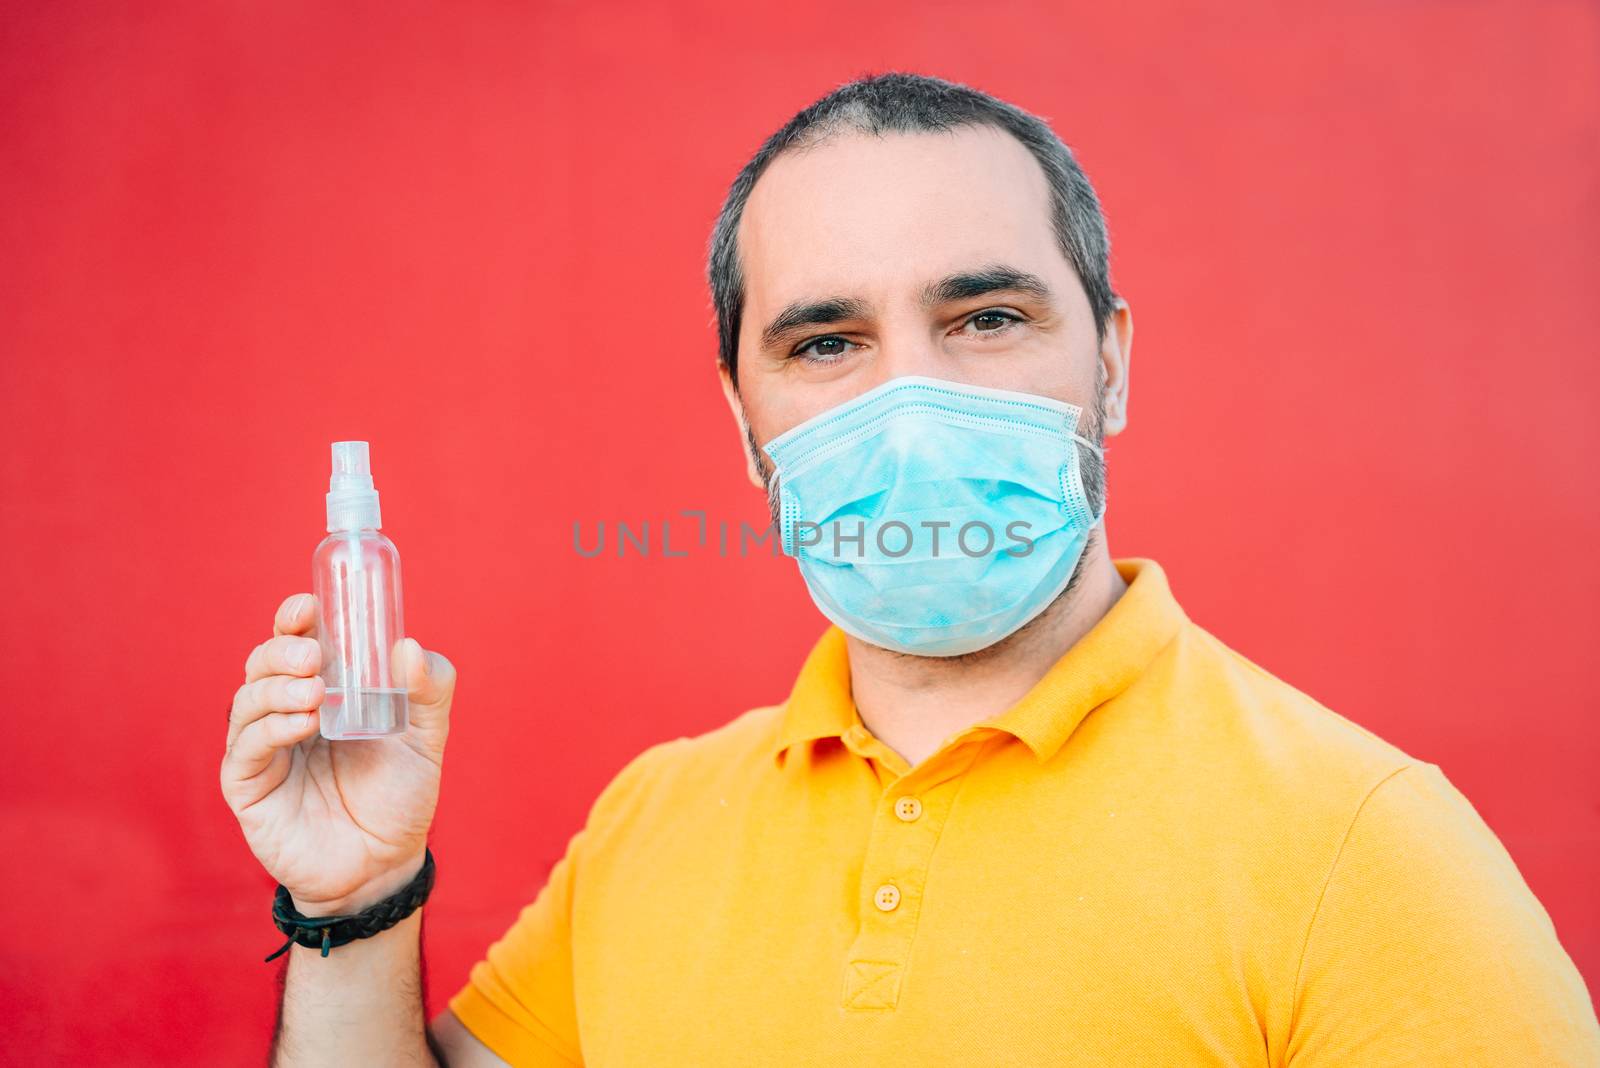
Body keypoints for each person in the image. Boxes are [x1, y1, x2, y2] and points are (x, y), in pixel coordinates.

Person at [221, 71, 1600, 1066]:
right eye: (825, 343)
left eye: (986, 316)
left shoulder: (1363, 852)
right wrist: (354, 903)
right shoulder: (654, 823)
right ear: (743, 422)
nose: (914, 403)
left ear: (1110, 362)